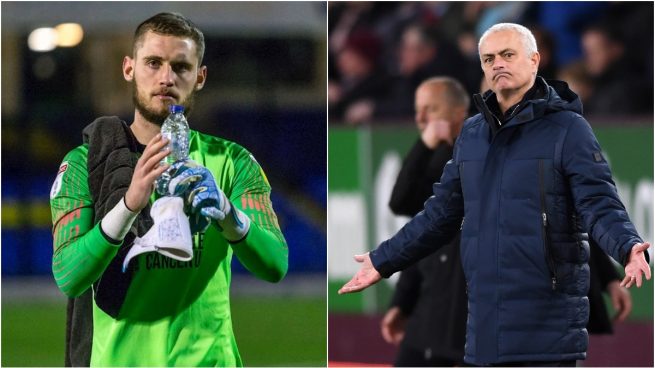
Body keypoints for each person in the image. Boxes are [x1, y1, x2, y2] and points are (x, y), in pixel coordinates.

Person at [339, 23, 651, 366]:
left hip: (547, 330)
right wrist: (383, 260)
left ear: (534, 60)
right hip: (484, 332)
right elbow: (438, 214)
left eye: (507, 55)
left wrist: (627, 246)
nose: (497, 64)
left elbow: (597, 202)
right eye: (488, 59)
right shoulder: (473, 134)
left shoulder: (568, 129)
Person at [49, 12, 288, 366]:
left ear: (200, 77)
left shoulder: (232, 160)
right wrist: (129, 204)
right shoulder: (84, 163)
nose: (166, 78)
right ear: (129, 68)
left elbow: (275, 265)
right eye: (153, 63)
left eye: (181, 67)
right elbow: (68, 276)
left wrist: (228, 214)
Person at [382, 77, 469, 366]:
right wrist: (402, 302)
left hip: (463, 313)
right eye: (418, 109)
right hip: (428, 311)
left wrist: (423, 147)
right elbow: (413, 223)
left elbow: (402, 201)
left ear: (458, 113)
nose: (420, 118)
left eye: (429, 110)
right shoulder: (436, 155)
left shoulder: (474, 156)